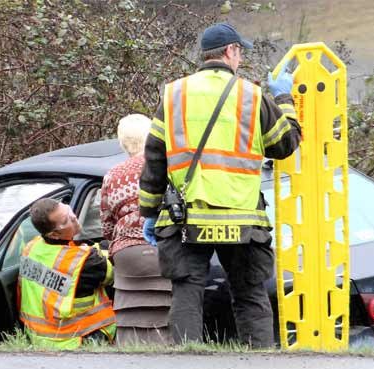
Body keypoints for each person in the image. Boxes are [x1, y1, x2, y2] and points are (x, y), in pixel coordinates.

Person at [139, 23, 302, 348]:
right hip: (242, 218)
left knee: (187, 290)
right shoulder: (253, 96)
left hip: (187, 217)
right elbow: (286, 144)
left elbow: (155, 156)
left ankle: (187, 361)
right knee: (250, 291)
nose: (240, 59)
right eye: (240, 52)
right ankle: (259, 361)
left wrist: (148, 211)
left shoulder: (174, 95)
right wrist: (284, 97)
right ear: (231, 51)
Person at [100, 114, 172, 346]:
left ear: (122, 142)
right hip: (164, 247)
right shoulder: (168, 167)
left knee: (129, 315)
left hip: (127, 255)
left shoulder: (113, 175)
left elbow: (107, 226)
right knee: (170, 310)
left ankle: (132, 362)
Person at [18, 198, 116, 349]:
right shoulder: (83, 263)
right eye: (66, 220)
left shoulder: (32, 246)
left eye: (68, 210)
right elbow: (115, 269)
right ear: (54, 235)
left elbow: (76, 250)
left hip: (39, 337)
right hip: (75, 340)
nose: (73, 217)